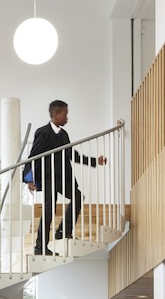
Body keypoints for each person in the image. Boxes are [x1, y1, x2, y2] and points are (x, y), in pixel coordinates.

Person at [24, 100, 107, 256]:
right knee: (49, 211)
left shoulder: (63, 134)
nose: (67, 117)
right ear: (55, 115)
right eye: (64, 114)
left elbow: (71, 155)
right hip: (48, 177)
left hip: (63, 177)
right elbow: (33, 156)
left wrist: (95, 161)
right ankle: (40, 247)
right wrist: (29, 179)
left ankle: (63, 231)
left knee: (77, 196)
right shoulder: (43, 132)